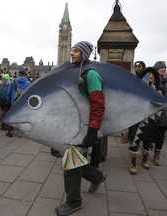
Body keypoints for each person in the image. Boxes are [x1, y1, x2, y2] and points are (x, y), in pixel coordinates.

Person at [55, 41, 106, 216]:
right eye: (72, 50)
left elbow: (98, 104)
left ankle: (74, 202)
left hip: (84, 127)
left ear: (84, 54)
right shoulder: (77, 71)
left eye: (76, 51)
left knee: (71, 165)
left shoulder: (91, 74)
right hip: (74, 125)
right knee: (73, 161)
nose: (71, 53)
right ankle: (97, 176)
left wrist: (92, 131)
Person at [128, 61, 153, 174]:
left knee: (147, 139)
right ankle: (133, 163)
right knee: (135, 138)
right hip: (135, 115)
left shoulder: (151, 82)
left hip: (148, 114)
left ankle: (145, 159)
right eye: (136, 66)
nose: (137, 68)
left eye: (140, 66)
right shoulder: (132, 81)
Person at [6, 69, 31, 137]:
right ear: (25, 74)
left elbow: (9, 92)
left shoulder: (13, 81)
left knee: (12, 116)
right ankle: (20, 132)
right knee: (22, 116)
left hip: (14, 101)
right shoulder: (28, 83)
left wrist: (8, 101)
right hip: (23, 103)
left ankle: (10, 131)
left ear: (18, 74)